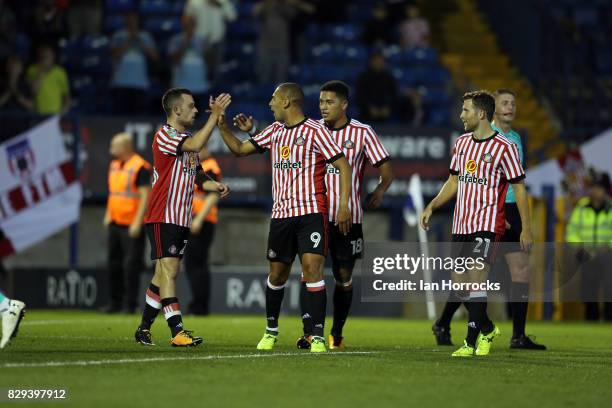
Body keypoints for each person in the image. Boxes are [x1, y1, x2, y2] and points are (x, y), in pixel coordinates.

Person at [218, 82, 352, 352]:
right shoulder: (275, 132)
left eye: (274, 99)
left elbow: (343, 165)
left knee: (313, 271)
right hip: (281, 216)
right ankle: (271, 331)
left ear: (287, 102)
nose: (270, 104)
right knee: (277, 275)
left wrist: (344, 205)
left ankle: (316, 336)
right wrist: (221, 126)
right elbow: (240, 150)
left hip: (311, 213)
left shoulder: (316, 131)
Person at [432, 89, 546, 350]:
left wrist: (523, 226)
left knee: (515, 271)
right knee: (462, 282)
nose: (510, 107)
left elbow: (517, 185)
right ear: (491, 111)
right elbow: (455, 180)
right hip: (475, 216)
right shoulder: (468, 140)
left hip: (497, 215)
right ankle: (462, 324)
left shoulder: (513, 140)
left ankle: (514, 335)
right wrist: (434, 205)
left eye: (514, 103)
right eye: (505, 102)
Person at [134, 89, 231, 347]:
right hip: (163, 214)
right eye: (191, 106)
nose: (196, 110)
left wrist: (215, 185)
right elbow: (197, 145)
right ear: (176, 110)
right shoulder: (165, 135)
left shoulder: (186, 139)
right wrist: (216, 117)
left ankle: (143, 328)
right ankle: (177, 331)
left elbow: (198, 176)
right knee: (170, 271)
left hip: (181, 218)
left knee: (161, 275)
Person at [102, 132, 152, 314]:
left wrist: (138, 222)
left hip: (132, 224)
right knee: (113, 263)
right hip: (115, 222)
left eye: (114, 146)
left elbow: (146, 197)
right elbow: (113, 193)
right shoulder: (114, 165)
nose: (111, 150)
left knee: (131, 266)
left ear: (126, 147)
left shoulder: (140, 167)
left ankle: (130, 304)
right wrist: (108, 214)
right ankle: (114, 302)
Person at [566, 172, 612, 321]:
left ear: (606, 190)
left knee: (609, 288)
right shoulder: (582, 207)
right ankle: (591, 319)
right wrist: (578, 247)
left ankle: (608, 319)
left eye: (600, 187)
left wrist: (608, 246)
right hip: (586, 256)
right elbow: (572, 231)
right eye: (594, 187)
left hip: (607, 256)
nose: (596, 191)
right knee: (588, 289)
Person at [184, 149, 222, 315]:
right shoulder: (196, 166)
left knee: (197, 265)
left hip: (202, 221)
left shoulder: (210, 167)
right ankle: (199, 305)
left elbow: (213, 195)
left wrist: (198, 219)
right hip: (194, 220)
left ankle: (199, 306)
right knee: (194, 265)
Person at [110, 12, 158, 115]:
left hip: (140, 84)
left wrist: (139, 40)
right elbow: (114, 55)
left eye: (134, 20)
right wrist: (129, 39)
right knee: (120, 116)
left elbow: (154, 57)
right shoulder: (118, 36)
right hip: (121, 83)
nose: (132, 22)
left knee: (138, 116)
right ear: (125, 21)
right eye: (129, 20)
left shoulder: (145, 36)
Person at [185, 0, 237, 83]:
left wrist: (220, 5)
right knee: (200, 69)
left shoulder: (223, 1)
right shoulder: (194, 2)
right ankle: (199, 90)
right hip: (199, 40)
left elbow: (232, 17)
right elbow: (187, 18)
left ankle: (215, 90)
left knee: (216, 71)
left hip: (217, 40)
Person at [168, 15, 211, 105]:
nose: (189, 27)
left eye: (191, 24)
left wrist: (207, 47)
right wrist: (186, 42)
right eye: (187, 24)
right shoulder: (176, 40)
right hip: (181, 83)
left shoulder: (202, 40)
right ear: (183, 25)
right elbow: (174, 60)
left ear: (195, 25)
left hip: (198, 83)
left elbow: (208, 60)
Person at [25, 44, 71, 115]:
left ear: (53, 56)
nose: (45, 58)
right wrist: (42, 72)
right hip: (36, 113)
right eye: (43, 56)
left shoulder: (60, 72)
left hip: (55, 113)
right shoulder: (32, 70)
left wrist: (63, 112)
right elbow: (33, 90)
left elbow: (66, 95)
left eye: (47, 56)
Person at [355, 53, 397, 122]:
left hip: (385, 108)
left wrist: (388, 107)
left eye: (381, 62)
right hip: (367, 109)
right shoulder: (364, 77)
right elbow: (359, 96)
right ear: (371, 62)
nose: (379, 64)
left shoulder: (388, 77)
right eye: (376, 62)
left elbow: (394, 95)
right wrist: (369, 107)